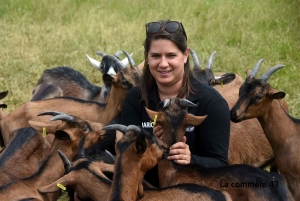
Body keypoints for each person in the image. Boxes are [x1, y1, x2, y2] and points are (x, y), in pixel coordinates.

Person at [120, 19, 230, 187]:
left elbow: (220, 164)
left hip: (191, 191)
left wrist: (191, 158)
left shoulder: (211, 102)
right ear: (147, 58)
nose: (163, 64)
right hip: (143, 189)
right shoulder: (135, 98)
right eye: (155, 56)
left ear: (185, 55)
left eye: (171, 55)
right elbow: (122, 154)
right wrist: (148, 142)